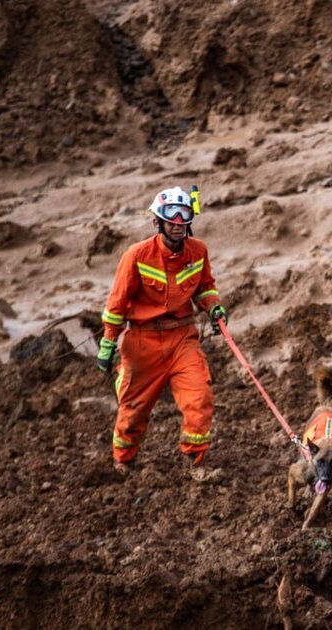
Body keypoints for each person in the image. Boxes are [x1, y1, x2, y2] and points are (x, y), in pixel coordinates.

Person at [95, 186, 227, 481]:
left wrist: (214, 308)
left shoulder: (198, 251)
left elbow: (205, 287)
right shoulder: (137, 255)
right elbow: (117, 304)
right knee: (133, 410)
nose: (179, 223)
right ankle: (123, 461)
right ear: (158, 221)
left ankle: (195, 462)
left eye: (184, 217)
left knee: (200, 398)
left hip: (183, 338)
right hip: (143, 341)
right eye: (172, 218)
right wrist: (107, 342)